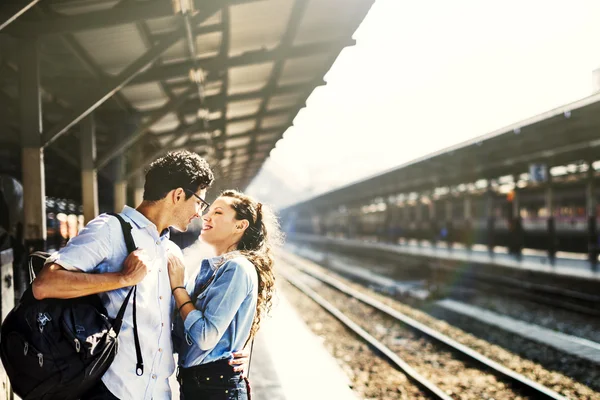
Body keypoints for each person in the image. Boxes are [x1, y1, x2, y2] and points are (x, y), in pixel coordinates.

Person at [31, 151, 247, 400]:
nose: (200, 213)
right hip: (112, 390)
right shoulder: (110, 229)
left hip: (159, 393)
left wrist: (227, 354)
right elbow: (45, 284)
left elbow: (178, 328)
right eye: (200, 202)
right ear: (178, 195)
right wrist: (122, 279)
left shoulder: (171, 251)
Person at [168, 190, 282, 400]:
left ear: (240, 225)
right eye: (209, 211)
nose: (206, 217)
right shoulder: (213, 269)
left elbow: (204, 336)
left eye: (218, 212)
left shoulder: (236, 268)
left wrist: (178, 288)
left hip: (215, 389)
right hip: (199, 386)